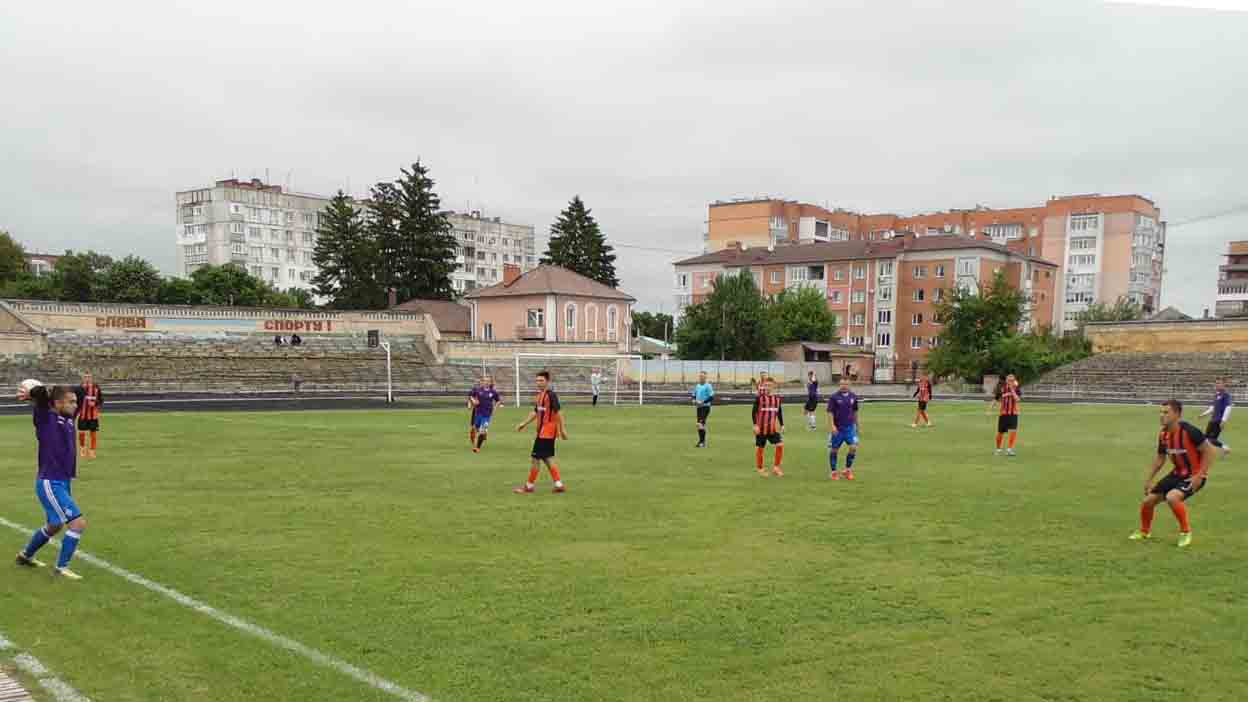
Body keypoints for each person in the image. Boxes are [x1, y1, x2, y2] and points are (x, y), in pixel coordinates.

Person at [14, 381, 86, 580]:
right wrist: (33, 393)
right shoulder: (45, 418)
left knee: (55, 525)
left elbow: (81, 390)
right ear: (57, 403)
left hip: (63, 481)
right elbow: (39, 394)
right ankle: (61, 568)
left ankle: (25, 556)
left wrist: (62, 390)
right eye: (70, 402)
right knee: (78, 524)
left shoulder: (69, 418)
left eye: (75, 402)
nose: (75, 405)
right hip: (50, 482)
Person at [1131, 399, 1218, 548]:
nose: (1162, 415)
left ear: (1177, 414)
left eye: (1166, 412)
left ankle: (1185, 532)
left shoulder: (1189, 431)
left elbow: (1210, 451)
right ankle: (1144, 531)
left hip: (1194, 475)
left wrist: (1199, 475)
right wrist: (1149, 480)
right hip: (1177, 474)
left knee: (1172, 497)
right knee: (1148, 501)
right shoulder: (1163, 434)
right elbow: (1160, 458)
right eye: (1161, 412)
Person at [514, 370, 568, 494]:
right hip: (543, 432)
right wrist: (524, 423)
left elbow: (559, 412)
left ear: (547, 381)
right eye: (537, 380)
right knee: (547, 458)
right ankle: (559, 485)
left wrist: (563, 429)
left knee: (536, 458)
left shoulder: (551, 395)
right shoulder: (539, 396)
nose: (539, 383)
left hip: (547, 431)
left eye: (541, 380)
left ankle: (529, 486)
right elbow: (535, 412)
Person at [826, 378, 861, 480]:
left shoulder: (853, 396)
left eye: (846, 384)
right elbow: (830, 412)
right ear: (839, 384)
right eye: (842, 384)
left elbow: (855, 411)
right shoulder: (834, 397)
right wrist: (832, 426)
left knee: (853, 447)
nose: (844, 386)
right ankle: (833, 472)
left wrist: (857, 425)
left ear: (849, 384)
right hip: (838, 428)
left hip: (850, 428)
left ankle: (847, 470)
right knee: (834, 449)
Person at [751, 379, 784, 477]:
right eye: (765, 385)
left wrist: (782, 425)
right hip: (761, 429)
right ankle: (760, 469)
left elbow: (779, 412)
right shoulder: (759, 398)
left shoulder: (777, 399)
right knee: (760, 448)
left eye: (769, 385)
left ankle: (776, 468)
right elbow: (754, 412)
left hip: (772, 429)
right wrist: (755, 425)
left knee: (780, 444)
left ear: (773, 387)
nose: (767, 387)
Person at [1197, 378, 1232, 457]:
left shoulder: (1226, 395)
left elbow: (1228, 408)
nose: (1217, 385)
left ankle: (1225, 447)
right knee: (1205, 438)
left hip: (1219, 420)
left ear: (1224, 384)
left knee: (1211, 439)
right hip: (1212, 420)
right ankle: (1209, 451)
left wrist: (1223, 420)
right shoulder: (1216, 395)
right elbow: (1212, 408)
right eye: (1216, 383)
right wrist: (1203, 414)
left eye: (1219, 383)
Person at [74, 371, 103, 460]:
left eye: (89, 377)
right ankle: (82, 449)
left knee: (93, 433)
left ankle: (92, 451)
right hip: (82, 415)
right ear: (83, 378)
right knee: (81, 433)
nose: (87, 378)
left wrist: (95, 403)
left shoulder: (96, 388)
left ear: (91, 378)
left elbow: (101, 400)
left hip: (93, 415)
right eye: (86, 377)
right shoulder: (79, 388)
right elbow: (74, 400)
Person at [470, 376, 502, 454]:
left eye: (488, 381)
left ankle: (477, 448)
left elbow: (498, 401)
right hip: (478, 414)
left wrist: (495, 408)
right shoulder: (478, 390)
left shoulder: (493, 392)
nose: (486, 382)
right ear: (482, 382)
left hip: (487, 415)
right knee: (474, 429)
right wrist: (474, 401)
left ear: (490, 383)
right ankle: (476, 440)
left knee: (482, 430)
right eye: (485, 381)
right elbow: (471, 396)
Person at [991, 374, 1021, 456]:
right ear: (1006, 381)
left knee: (1013, 431)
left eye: (1012, 380)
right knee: (1000, 432)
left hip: (1013, 413)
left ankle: (1009, 449)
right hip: (1003, 413)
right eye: (1009, 380)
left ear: (1014, 380)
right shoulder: (1002, 388)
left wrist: (1012, 391)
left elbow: (1017, 399)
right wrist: (991, 408)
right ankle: (998, 449)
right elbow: (997, 398)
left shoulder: (1016, 388)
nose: (1010, 382)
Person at [691, 371, 715, 448]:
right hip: (699, 408)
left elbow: (711, 397)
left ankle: (702, 442)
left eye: (703, 377)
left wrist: (703, 402)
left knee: (700, 424)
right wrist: (694, 400)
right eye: (700, 376)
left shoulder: (708, 386)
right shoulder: (697, 386)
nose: (701, 378)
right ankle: (701, 442)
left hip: (705, 407)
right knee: (699, 425)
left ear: (705, 377)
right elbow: (693, 395)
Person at [467, 378, 483, 447]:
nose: (479, 383)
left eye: (480, 382)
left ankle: (481, 435)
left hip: (484, 411)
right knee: (474, 426)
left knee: (482, 426)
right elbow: (470, 397)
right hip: (476, 410)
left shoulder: (486, 390)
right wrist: (469, 404)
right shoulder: (474, 390)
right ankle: (473, 437)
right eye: (477, 382)